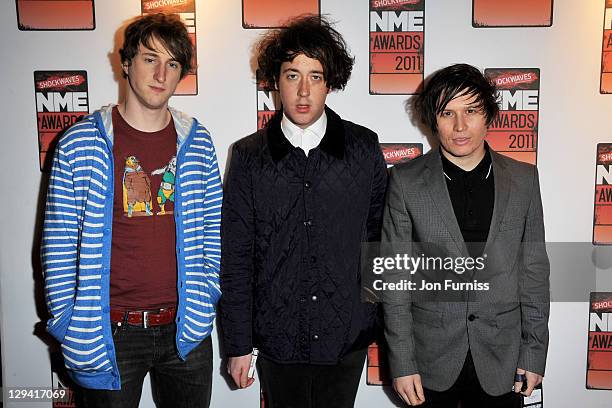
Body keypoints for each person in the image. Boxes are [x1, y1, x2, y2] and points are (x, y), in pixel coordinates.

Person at [41, 13, 222, 408]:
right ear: (125, 63)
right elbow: (57, 242)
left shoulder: (199, 142)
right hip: (109, 334)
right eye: (149, 59)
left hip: (185, 333)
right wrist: (70, 323)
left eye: (172, 63)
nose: (161, 73)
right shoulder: (78, 144)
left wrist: (206, 296)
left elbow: (214, 230)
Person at [220, 14, 388, 408]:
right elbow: (236, 257)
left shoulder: (363, 148)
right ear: (275, 80)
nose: (303, 91)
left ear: (331, 81)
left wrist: (378, 324)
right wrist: (239, 342)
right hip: (278, 338)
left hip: (345, 338)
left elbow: (381, 242)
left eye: (315, 76)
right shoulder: (248, 156)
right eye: (293, 75)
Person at [381, 63, 550, 407]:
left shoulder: (524, 180)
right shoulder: (405, 181)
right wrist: (401, 362)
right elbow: (395, 278)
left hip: (503, 360)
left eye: (471, 111)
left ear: (488, 114)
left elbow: (534, 274)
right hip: (431, 361)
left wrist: (533, 354)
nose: (459, 127)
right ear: (433, 120)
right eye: (447, 113)